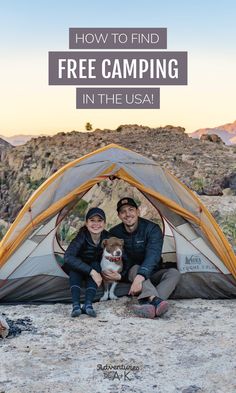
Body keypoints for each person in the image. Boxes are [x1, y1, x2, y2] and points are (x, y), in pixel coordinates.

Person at [102, 197, 181, 319]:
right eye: (123, 211)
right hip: (131, 271)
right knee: (135, 267)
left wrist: (141, 276)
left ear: (138, 211)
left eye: (131, 209)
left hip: (152, 271)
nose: (128, 214)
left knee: (174, 273)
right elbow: (122, 260)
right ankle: (156, 302)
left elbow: (153, 255)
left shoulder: (152, 229)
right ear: (119, 215)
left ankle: (148, 303)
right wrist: (122, 275)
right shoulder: (115, 233)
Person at [64, 207, 109, 318]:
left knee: (96, 264)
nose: (96, 224)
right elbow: (68, 257)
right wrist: (92, 272)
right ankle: (76, 306)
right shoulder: (81, 236)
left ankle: (88, 305)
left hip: (94, 267)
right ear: (86, 223)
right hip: (78, 269)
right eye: (92, 220)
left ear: (104, 223)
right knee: (76, 268)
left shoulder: (107, 237)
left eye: (99, 220)